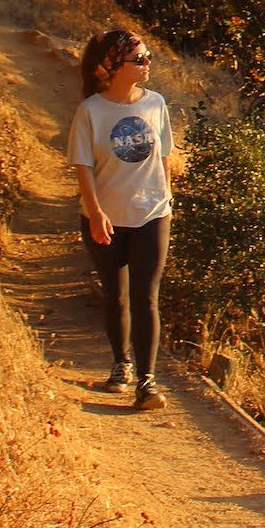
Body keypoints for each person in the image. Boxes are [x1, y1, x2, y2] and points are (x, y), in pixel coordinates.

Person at [69, 28, 176, 410]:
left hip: (152, 214)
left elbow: (164, 155)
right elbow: (82, 167)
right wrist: (95, 213)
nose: (148, 64)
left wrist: (166, 194)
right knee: (115, 295)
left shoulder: (156, 103)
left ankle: (147, 383)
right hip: (106, 218)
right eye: (139, 59)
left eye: (148, 57)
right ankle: (121, 365)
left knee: (146, 296)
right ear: (113, 66)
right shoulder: (91, 111)